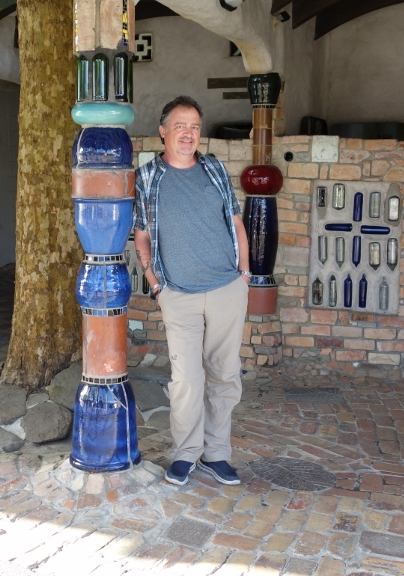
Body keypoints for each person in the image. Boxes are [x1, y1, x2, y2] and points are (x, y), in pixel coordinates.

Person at [132, 96, 250, 486]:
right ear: (163, 131)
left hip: (226, 288)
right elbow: (142, 235)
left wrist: (244, 274)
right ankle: (186, 453)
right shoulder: (147, 177)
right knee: (186, 379)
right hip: (178, 293)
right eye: (180, 126)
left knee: (224, 375)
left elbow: (236, 221)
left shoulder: (214, 169)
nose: (188, 134)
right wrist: (155, 285)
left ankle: (216, 454)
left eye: (195, 127)